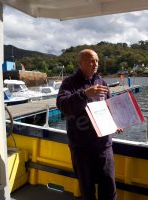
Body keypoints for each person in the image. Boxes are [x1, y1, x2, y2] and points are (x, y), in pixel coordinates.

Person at [56, 49, 122, 200]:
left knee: (109, 189)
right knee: (87, 191)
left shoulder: (102, 82)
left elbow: (109, 107)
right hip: (81, 149)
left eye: (97, 61)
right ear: (80, 63)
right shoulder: (69, 83)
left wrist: (116, 122)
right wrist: (84, 94)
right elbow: (63, 105)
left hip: (104, 146)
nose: (95, 64)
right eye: (91, 60)